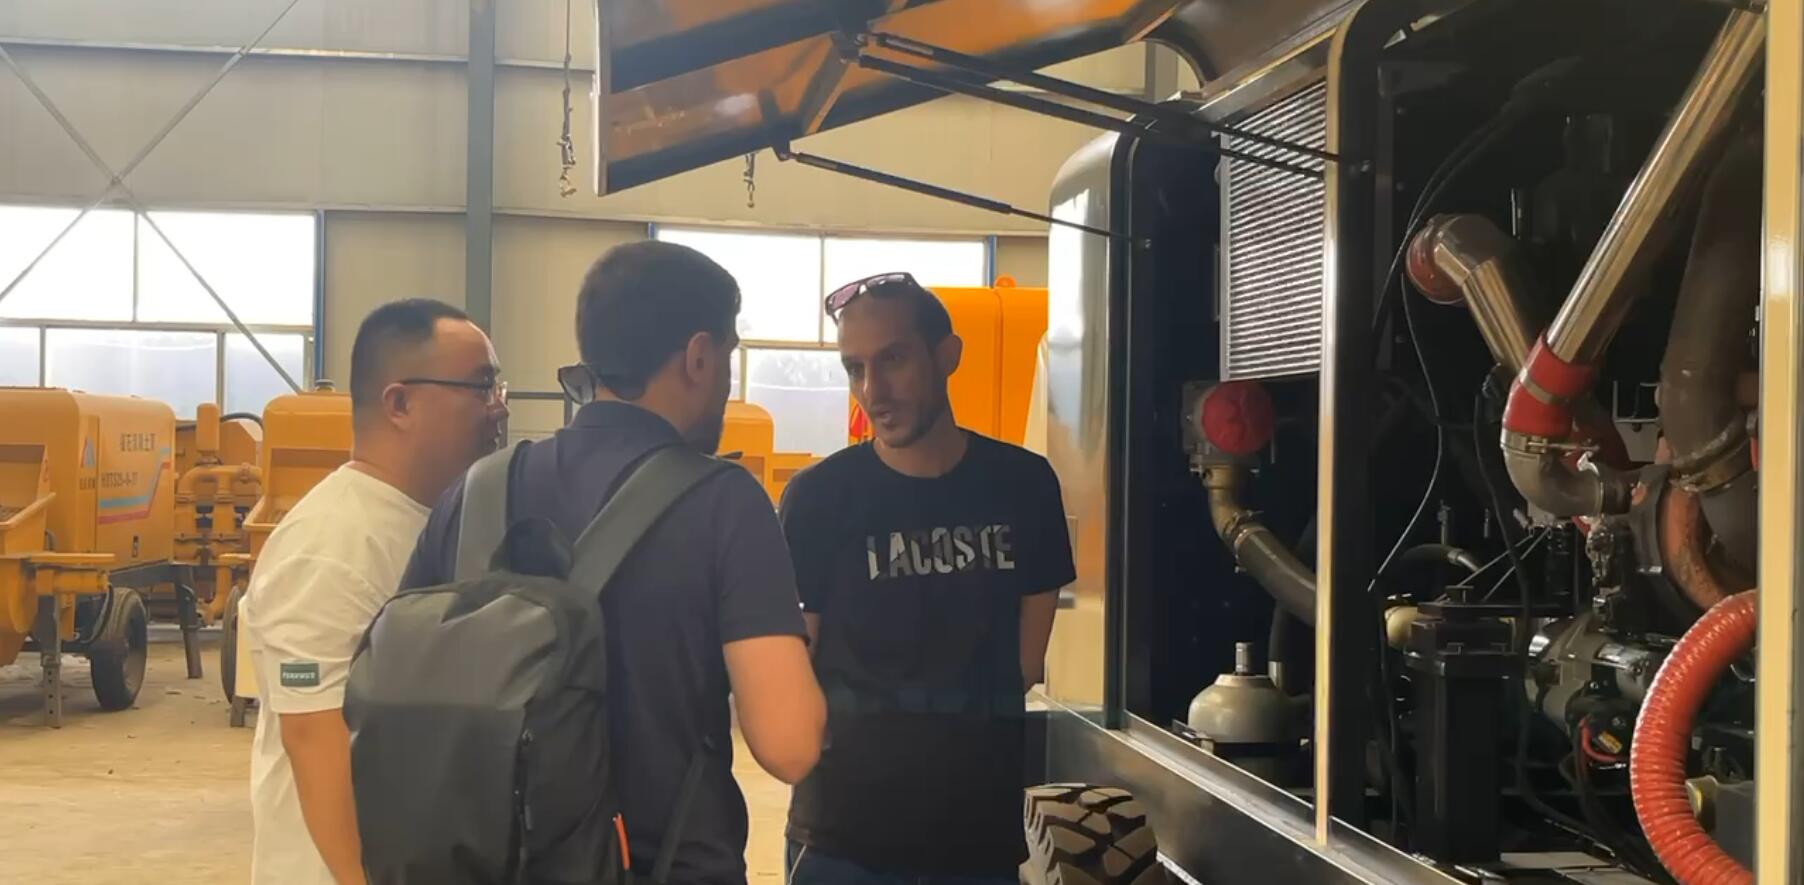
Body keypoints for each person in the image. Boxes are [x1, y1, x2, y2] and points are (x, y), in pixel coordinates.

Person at [399, 240, 826, 884]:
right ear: (699, 356)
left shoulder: (476, 491)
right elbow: (789, 745)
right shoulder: (724, 501)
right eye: (727, 357)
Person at [779, 272, 1076, 883]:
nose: (873, 391)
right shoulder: (818, 499)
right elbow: (795, 670)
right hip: (843, 843)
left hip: (976, 841)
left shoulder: (1024, 485)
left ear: (948, 356)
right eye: (855, 368)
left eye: (893, 360)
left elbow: (1026, 665)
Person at [241, 298, 509, 885]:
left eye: (497, 388)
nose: (498, 408)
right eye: (481, 387)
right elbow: (315, 738)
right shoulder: (329, 545)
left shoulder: (437, 521)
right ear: (399, 403)